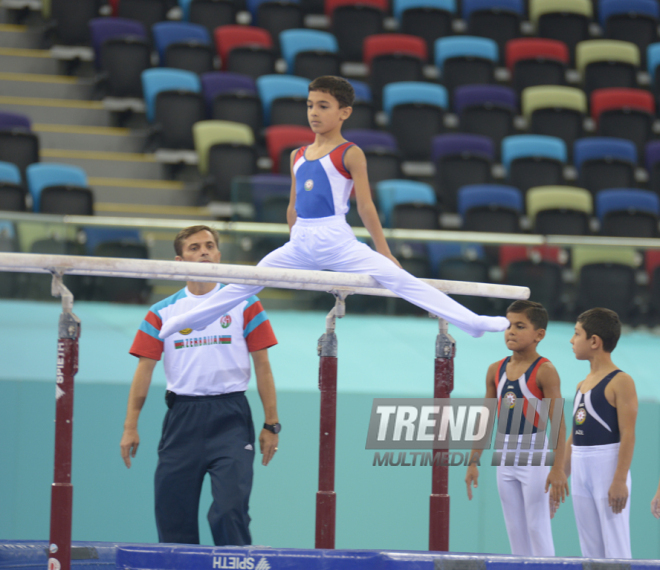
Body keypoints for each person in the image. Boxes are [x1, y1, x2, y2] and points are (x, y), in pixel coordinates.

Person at [158, 76, 509, 341]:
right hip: (301, 240)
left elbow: (367, 206)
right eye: (310, 105)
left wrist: (384, 252)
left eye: (323, 106)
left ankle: (472, 322)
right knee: (248, 280)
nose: (314, 112)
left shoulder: (349, 153)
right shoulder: (297, 154)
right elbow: (293, 206)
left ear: (344, 112)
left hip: (336, 238)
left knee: (401, 281)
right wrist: (294, 240)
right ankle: (195, 318)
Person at [120, 225, 280, 546]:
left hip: (230, 418)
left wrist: (271, 424)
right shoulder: (161, 313)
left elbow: (262, 366)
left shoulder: (245, 304)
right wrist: (130, 426)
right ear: (180, 261)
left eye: (209, 246)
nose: (204, 251)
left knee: (228, 511)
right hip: (183, 419)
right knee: (172, 518)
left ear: (219, 255)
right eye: (194, 248)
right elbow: (144, 370)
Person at [465, 300, 568, 557]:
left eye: (520, 326)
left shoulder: (545, 371)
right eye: (509, 325)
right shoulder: (495, 370)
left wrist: (558, 469)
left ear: (539, 335)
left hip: (535, 453)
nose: (510, 331)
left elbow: (558, 423)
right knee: (514, 529)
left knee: (537, 526)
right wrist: (473, 460)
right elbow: (486, 418)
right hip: (505, 452)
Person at [565, 308, 637, 559]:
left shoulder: (621, 381)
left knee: (614, 545)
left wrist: (619, 479)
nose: (572, 340)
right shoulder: (581, 385)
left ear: (594, 341)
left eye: (577, 334)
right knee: (590, 549)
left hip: (607, 466)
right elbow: (574, 434)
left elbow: (628, 434)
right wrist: (561, 473)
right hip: (580, 465)